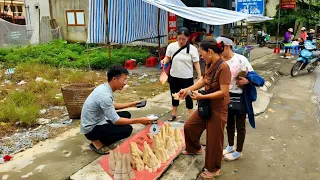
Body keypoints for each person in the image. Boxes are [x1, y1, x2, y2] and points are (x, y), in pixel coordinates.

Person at [179, 39, 231, 179]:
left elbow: (224, 92)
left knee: (214, 139)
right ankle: (194, 148)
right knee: (190, 126)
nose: (201, 57)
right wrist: (187, 89)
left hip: (218, 107)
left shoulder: (223, 67)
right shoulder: (209, 63)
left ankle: (214, 169)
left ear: (210, 51)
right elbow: (203, 80)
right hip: (207, 104)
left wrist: (202, 98)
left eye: (202, 54)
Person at [80, 66, 152, 155]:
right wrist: (139, 120)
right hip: (91, 129)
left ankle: (101, 136)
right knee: (127, 129)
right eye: (124, 80)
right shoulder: (105, 95)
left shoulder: (104, 87)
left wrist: (131, 104)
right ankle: (96, 142)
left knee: (126, 114)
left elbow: (111, 106)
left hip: (98, 119)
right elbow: (116, 121)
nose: (125, 83)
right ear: (114, 79)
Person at [216, 35, 263, 161]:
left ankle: (239, 151)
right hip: (225, 96)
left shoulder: (241, 59)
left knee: (240, 125)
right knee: (229, 123)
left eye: (220, 48)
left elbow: (253, 75)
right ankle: (230, 145)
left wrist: (247, 81)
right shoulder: (220, 61)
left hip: (241, 96)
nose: (218, 51)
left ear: (227, 46)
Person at [161, 27, 201, 121]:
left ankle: (191, 115)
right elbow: (168, 57)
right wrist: (164, 61)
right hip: (174, 75)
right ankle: (174, 113)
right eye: (179, 38)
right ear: (177, 37)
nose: (181, 41)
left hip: (187, 77)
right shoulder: (171, 46)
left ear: (188, 38)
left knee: (188, 96)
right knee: (174, 95)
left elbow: (196, 62)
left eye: (184, 39)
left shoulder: (192, 49)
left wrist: (199, 74)